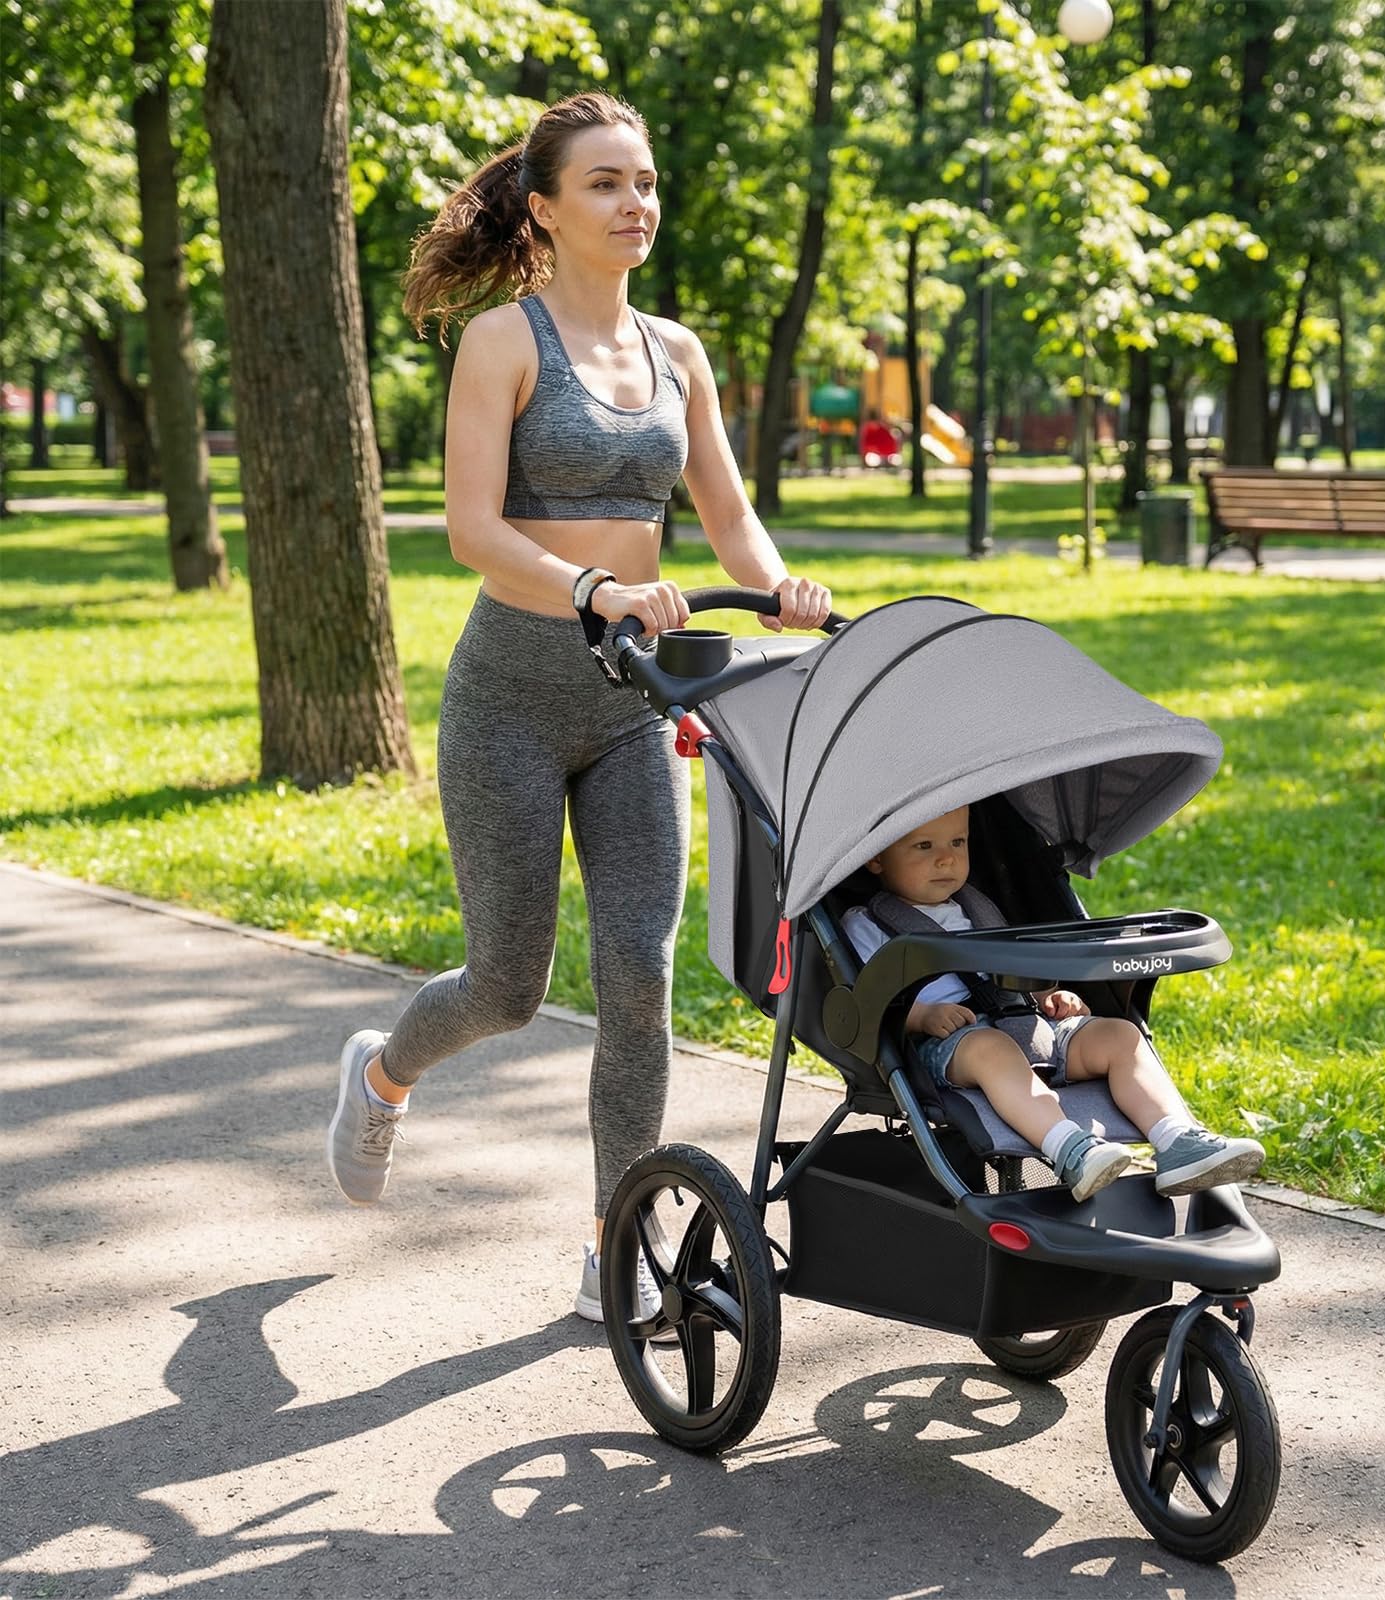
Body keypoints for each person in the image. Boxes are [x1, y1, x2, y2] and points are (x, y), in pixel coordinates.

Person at [325, 92, 832, 1329]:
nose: (634, 203)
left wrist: (779, 588)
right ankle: (383, 1075)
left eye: (644, 181)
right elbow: (472, 531)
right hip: (510, 692)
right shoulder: (505, 341)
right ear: (545, 209)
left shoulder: (679, 352)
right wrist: (593, 584)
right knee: (505, 983)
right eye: (605, 183)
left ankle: (618, 1243)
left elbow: (724, 508)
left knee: (636, 981)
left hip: (629, 708)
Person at [841, 806, 1264, 1202]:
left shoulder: (978, 907)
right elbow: (867, 998)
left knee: (1120, 1036)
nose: (946, 860)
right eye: (924, 846)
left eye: (958, 843)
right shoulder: (867, 923)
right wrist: (922, 1015)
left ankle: (1177, 1140)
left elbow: (1012, 965)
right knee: (993, 1050)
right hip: (950, 1043)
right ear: (876, 859)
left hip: (1027, 1022)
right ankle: (1071, 1149)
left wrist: (1048, 994)